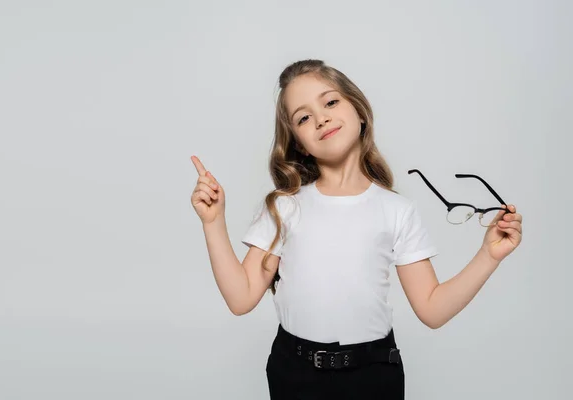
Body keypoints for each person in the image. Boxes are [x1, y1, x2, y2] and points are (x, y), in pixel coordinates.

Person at [189, 59, 523, 400]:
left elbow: (432, 309)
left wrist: (488, 255)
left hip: (374, 375)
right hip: (295, 373)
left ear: (359, 111)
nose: (321, 118)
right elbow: (241, 297)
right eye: (303, 118)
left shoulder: (396, 210)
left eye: (330, 102)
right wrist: (213, 222)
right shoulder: (284, 206)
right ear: (299, 143)